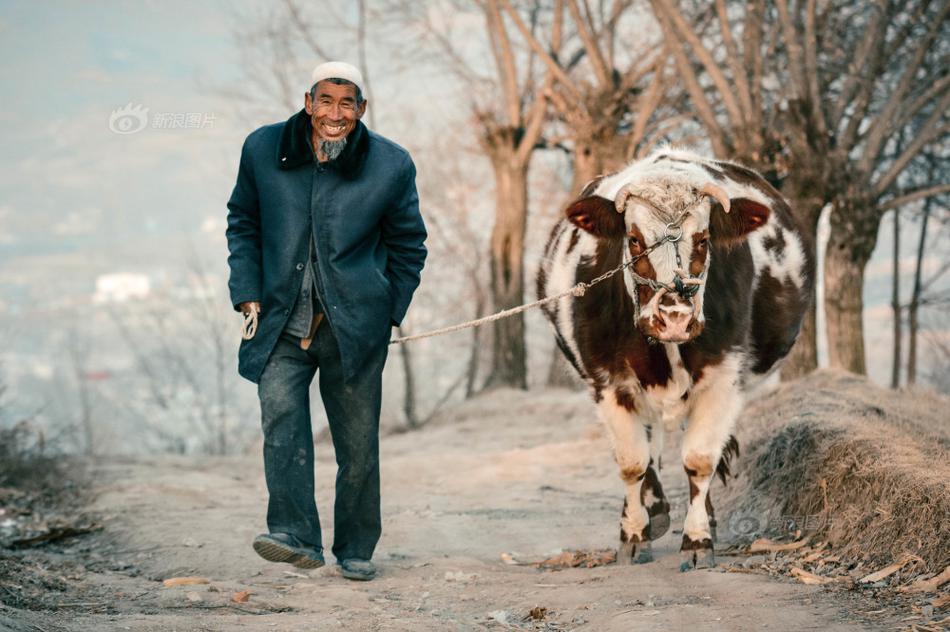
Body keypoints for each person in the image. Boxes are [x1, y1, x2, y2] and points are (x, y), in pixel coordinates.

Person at [225, 61, 427, 581]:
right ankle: (295, 536)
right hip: (278, 323)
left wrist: (388, 309)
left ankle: (356, 547)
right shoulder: (262, 149)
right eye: (325, 101)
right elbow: (243, 223)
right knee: (281, 428)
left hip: (354, 329)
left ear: (361, 109)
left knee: (357, 446)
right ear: (308, 101)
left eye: (347, 104)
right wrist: (245, 292)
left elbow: (409, 246)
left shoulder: (390, 164)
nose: (334, 114)